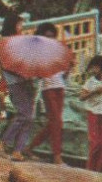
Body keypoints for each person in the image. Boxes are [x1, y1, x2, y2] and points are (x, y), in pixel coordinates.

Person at [0, 15, 37, 159]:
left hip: (25, 80)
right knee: (24, 114)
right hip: (15, 82)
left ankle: (17, 150)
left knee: (29, 117)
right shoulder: (6, 42)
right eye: (19, 24)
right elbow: (6, 64)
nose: (21, 27)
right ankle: (3, 142)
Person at [27, 23, 70, 165]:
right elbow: (36, 72)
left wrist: (67, 68)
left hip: (60, 86)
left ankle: (29, 147)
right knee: (56, 121)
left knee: (55, 122)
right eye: (47, 36)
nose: (50, 39)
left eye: (52, 36)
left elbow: (64, 71)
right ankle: (57, 156)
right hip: (48, 87)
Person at [78, 55, 102, 172]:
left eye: (96, 67)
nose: (94, 70)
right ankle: (90, 169)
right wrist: (93, 92)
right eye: (92, 67)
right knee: (95, 143)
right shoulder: (90, 82)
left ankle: (99, 170)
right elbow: (81, 97)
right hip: (93, 113)